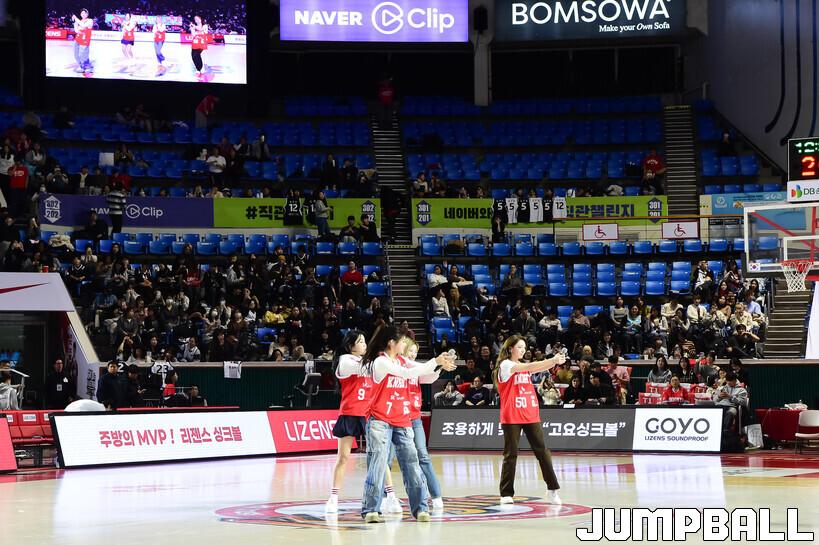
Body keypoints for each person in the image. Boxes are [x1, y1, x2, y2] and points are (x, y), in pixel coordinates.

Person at [359, 326, 455, 523]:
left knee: (412, 464)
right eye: (402, 341)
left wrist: (440, 366)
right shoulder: (380, 362)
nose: (404, 344)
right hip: (380, 419)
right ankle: (371, 510)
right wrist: (435, 361)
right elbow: (406, 373)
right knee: (378, 463)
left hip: (402, 419)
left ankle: (421, 509)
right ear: (391, 343)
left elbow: (425, 376)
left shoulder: (403, 360)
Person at [327, 330, 401, 515]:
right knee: (343, 458)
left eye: (365, 341)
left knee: (379, 457)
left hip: (370, 413)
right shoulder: (345, 360)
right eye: (360, 342)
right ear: (350, 346)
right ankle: (333, 498)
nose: (364, 344)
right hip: (350, 412)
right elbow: (364, 368)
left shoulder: (372, 361)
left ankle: (391, 497)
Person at [493, 335, 565, 505]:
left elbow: (537, 367)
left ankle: (552, 490)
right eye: (519, 347)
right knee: (511, 454)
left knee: (542, 452)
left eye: (524, 348)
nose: (523, 350)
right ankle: (506, 493)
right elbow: (531, 366)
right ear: (510, 348)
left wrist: (555, 361)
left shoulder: (524, 366)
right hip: (512, 415)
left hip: (530, 413)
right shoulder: (505, 365)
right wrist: (552, 360)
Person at [396, 338, 445, 510]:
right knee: (388, 459)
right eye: (411, 350)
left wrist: (440, 367)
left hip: (414, 417)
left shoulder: (417, 368)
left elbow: (429, 378)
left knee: (423, 455)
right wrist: (437, 362)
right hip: (396, 418)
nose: (413, 354)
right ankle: (388, 497)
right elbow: (416, 367)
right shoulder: (396, 366)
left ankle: (436, 495)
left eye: (416, 352)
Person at [72, 9, 93, 74]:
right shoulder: (79, 21)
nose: (83, 14)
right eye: (82, 13)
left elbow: (83, 25)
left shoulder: (90, 20)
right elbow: (76, 31)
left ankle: (87, 67)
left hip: (85, 40)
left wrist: (76, 19)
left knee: (83, 54)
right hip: (77, 39)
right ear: (80, 14)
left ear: (87, 14)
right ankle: (81, 66)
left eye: (85, 13)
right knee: (76, 54)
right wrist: (75, 23)